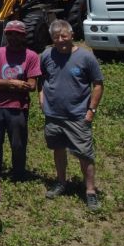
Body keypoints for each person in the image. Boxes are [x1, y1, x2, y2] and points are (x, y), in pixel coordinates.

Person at [39, 20, 104, 210]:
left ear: (72, 35)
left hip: (77, 116)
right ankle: (61, 182)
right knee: (58, 149)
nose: (60, 40)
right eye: (56, 37)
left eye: (64, 36)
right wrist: (41, 96)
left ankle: (90, 190)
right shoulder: (46, 55)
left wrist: (91, 110)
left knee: (85, 154)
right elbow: (41, 78)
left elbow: (98, 84)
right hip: (53, 115)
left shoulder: (86, 57)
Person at [0, 20, 41, 180]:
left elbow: (31, 85)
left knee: (18, 144)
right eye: (10, 33)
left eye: (17, 34)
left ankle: (19, 174)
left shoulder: (31, 56)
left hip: (18, 107)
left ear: (23, 36)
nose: (13, 37)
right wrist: (12, 83)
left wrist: (1, 84)